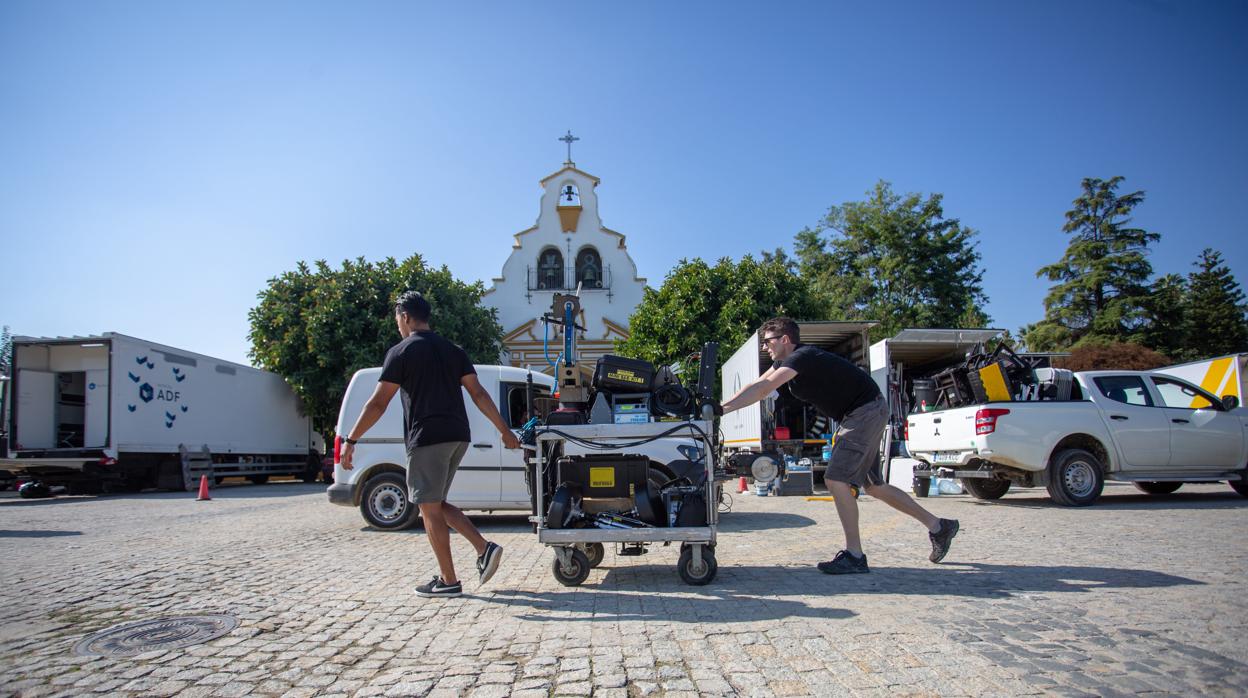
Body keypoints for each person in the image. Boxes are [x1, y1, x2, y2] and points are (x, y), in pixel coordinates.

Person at [720, 317, 959, 574]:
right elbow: (756, 385)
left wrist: (720, 411)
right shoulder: (785, 361)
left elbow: (763, 390)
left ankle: (854, 555)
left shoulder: (802, 357)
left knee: (835, 479)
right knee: (875, 486)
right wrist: (720, 407)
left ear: (785, 340)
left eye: (767, 342)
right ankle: (939, 527)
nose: (765, 347)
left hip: (864, 413)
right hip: (863, 412)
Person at [340, 291, 521, 597]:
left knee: (428, 506)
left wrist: (351, 439)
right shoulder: (454, 351)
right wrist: (504, 430)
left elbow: (378, 403)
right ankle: (483, 548)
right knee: (433, 502)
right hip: (458, 435)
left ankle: (449, 580)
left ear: (406, 317)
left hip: (427, 437)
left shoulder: (401, 352)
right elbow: (478, 394)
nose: (398, 324)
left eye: (398, 318)